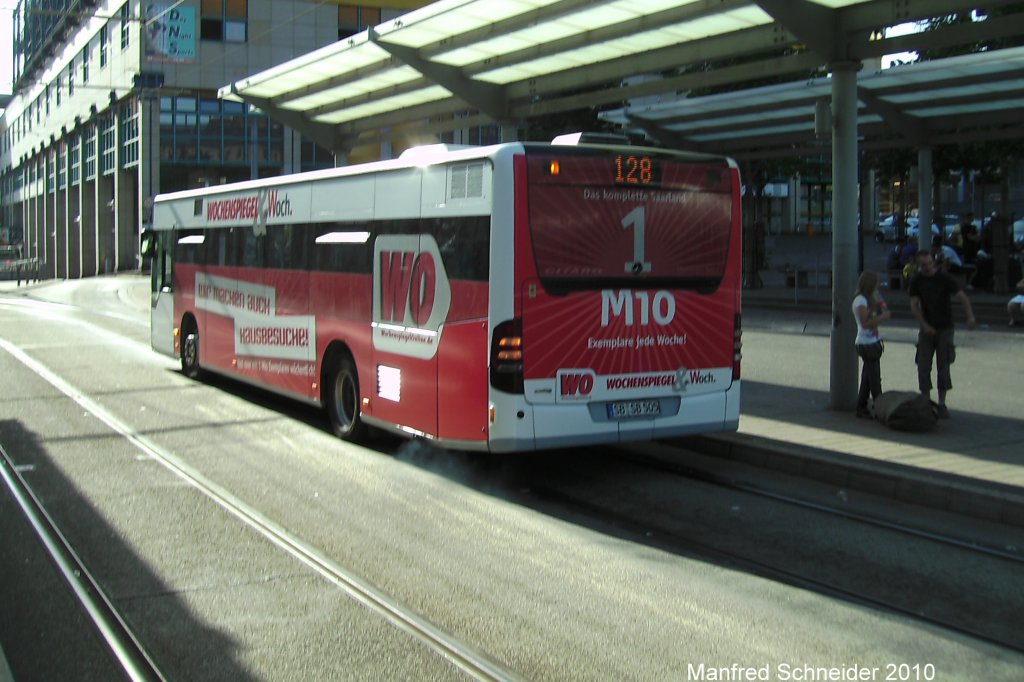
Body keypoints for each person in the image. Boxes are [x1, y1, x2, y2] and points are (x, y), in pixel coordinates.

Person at [908, 250, 977, 418]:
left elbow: (962, 297)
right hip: (927, 328)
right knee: (923, 365)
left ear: (934, 262)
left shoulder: (944, 278)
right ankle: (925, 401)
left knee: (943, 365)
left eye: (929, 264)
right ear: (918, 265)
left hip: (945, 327)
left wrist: (970, 316)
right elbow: (914, 306)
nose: (927, 268)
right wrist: (924, 325)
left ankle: (941, 403)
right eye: (923, 265)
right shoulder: (917, 280)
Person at [852, 271, 891, 418]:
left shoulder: (869, 299)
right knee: (874, 378)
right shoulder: (860, 301)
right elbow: (865, 323)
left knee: (868, 377)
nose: (878, 285)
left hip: (872, 342)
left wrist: (880, 301)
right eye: (876, 282)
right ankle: (879, 407)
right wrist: (883, 317)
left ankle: (861, 406)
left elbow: (883, 309)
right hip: (866, 343)